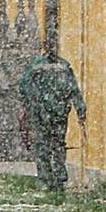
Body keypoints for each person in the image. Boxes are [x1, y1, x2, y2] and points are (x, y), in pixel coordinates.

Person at [19, 47, 86, 194]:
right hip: (59, 113)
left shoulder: (35, 66)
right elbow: (74, 89)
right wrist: (80, 110)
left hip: (40, 113)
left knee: (42, 147)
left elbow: (23, 87)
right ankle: (59, 178)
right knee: (58, 146)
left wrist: (28, 106)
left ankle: (45, 179)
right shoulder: (64, 66)